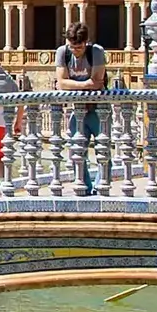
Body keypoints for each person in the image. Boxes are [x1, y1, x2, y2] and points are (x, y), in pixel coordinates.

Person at [53, 16, 110, 195]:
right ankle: (84, 186)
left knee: (103, 150)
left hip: (99, 110)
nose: (75, 51)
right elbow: (61, 83)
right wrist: (86, 84)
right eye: (72, 47)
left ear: (86, 42)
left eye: (78, 47)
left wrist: (73, 83)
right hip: (77, 111)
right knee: (78, 151)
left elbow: (98, 82)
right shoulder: (63, 52)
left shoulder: (96, 52)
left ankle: (101, 187)